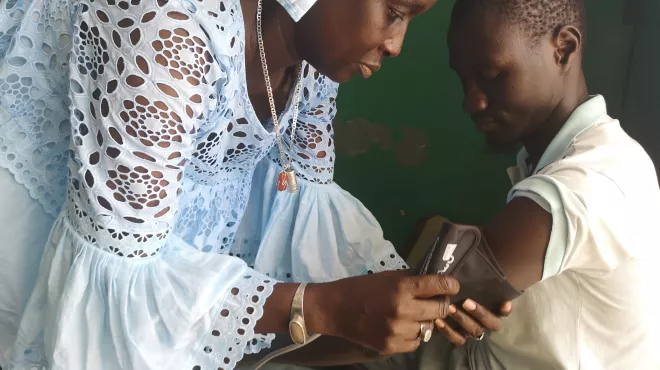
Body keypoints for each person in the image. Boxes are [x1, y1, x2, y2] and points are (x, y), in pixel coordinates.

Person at [0, 0, 511, 369]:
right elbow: (120, 293)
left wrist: (410, 297)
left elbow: (305, 210)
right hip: (45, 247)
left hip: (151, 277)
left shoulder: (314, 63)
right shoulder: (165, 32)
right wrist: (326, 308)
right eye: (395, 12)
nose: (397, 46)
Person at [300, 0, 659, 369]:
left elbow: (402, 315)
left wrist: (255, 349)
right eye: (464, 79)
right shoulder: (581, 156)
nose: (472, 101)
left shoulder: (587, 184)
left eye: (492, 75)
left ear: (563, 49)